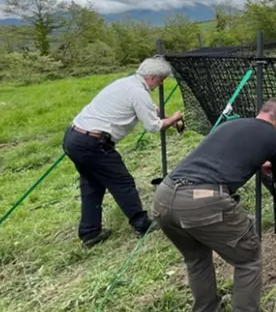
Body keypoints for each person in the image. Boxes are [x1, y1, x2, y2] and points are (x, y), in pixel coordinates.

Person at [152, 98, 276, 312]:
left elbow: (223, 156)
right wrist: (272, 167)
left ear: (260, 113)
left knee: (196, 259)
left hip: (164, 196)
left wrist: (256, 161)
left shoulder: (231, 124)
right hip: (203, 198)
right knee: (248, 260)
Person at [62, 56, 184, 248]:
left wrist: (168, 118)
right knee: (122, 182)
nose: (160, 84)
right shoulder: (138, 92)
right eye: (161, 80)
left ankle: (89, 233)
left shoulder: (125, 83)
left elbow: (151, 109)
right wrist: (175, 118)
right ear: (152, 77)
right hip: (93, 143)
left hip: (74, 138)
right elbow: (153, 126)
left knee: (92, 185)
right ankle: (141, 224)